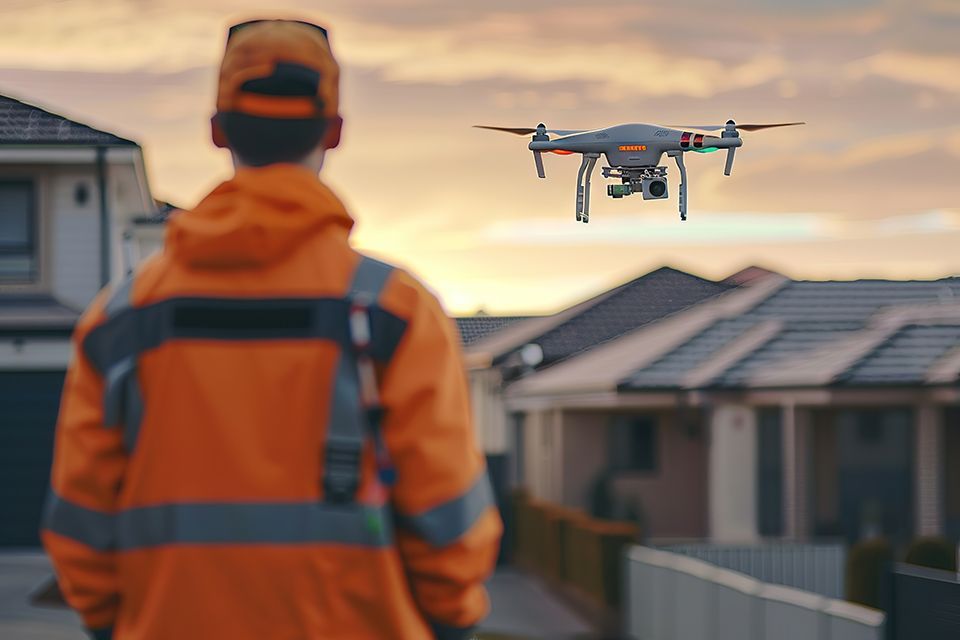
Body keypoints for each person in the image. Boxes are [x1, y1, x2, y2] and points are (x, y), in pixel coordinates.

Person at [41, 18, 501, 640]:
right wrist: (452, 620)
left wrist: (116, 622)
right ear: (334, 132)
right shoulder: (395, 311)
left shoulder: (119, 321)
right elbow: (447, 517)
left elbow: (80, 524)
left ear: (217, 130)